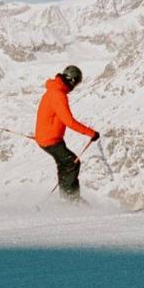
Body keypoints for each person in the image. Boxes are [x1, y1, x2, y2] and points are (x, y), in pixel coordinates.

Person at [34, 65, 100, 201]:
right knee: (72, 163)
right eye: (76, 83)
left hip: (49, 137)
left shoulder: (54, 90)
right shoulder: (58, 94)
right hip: (50, 140)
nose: (74, 87)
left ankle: (66, 196)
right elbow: (69, 121)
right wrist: (91, 133)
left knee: (65, 164)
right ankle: (72, 200)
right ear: (71, 80)